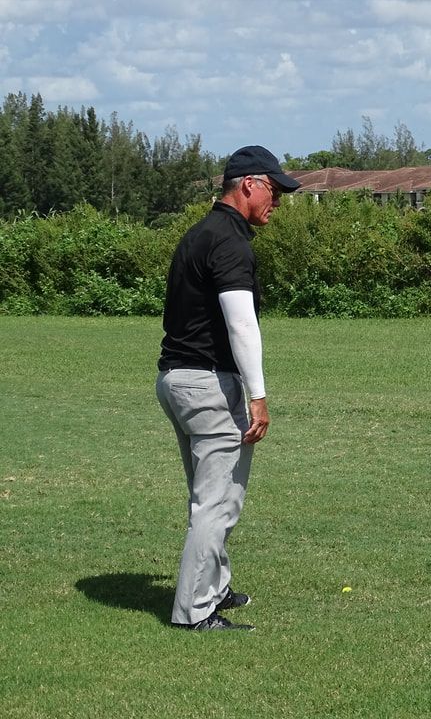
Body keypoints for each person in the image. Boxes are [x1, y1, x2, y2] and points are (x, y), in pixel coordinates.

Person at [156, 145, 299, 631]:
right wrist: (257, 395)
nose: (277, 201)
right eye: (274, 191)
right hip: (207, 384)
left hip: (175, 379)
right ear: (248, 184)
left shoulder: (200, 233)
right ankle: (195, 612)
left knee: (211, 496)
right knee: (216, 502)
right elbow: (242, 325)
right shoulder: (231, 243)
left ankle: (214, 588)